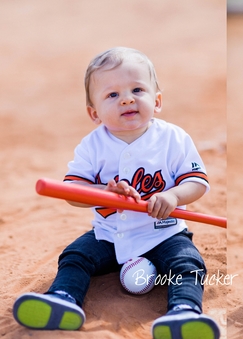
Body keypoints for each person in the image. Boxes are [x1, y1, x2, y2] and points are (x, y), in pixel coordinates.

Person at [11, 47, 220, 339]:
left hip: (163, 231)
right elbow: (72, 191)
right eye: (112, 95)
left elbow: (197, 181)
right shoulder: (91, 146)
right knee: (75, 256)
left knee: (187, 263)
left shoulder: (173, 138)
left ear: (157, 100)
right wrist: (101, 190)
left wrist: (173, 196)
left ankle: (184, 312)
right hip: (110, 233)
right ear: (94, 113)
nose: (126, 98)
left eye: (137, 89)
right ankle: (62, 298)